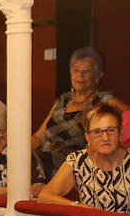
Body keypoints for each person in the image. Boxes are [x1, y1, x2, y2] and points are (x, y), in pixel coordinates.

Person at [38, 100, 130, 215]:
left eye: (111, 130)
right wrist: (77, 207)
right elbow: (44, 197)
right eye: (97, 132)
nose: (105, 137)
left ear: (121, 132)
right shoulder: (78, 161)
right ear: (88, 137)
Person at [31, 46, 121, 175]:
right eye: (76, 70)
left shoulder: (104, 100)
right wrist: (15, 151)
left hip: (76, 173)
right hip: (44, 167)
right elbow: (39, 137)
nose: (80, 75)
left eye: (87, 71)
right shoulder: (63, 99)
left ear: (98, 76)